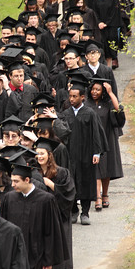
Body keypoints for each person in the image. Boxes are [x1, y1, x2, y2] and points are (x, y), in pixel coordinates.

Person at [0, 164, 68, 269]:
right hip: (17, 258)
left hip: (38, 258)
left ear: (27, 180)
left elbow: (51, 232)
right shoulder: (9, 198)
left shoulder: (45, 200)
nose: (12, 184)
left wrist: (48, 259)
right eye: (12, 180)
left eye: (16, 181)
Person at [54, 80, 105, 225]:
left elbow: (96, 133)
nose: (71, 99)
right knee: (71, 182)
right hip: (70, 155)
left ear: (83, 97)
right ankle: (74, 211)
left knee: (86, 182)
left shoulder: (90, 113)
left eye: (75, 96)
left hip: (86, 154)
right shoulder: (65, 114)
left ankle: (85, 212)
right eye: (70, 96)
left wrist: (97, 153)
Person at [35, 138, 75, 269]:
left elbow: (70, 195)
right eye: (37, 153)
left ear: (49, 155)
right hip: (40, 219)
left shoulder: (62, 173)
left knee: (61, 252)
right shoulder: (32, 173)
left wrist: (51, 184)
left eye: (42, 153)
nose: (39, 156)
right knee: (44, 253)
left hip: (59, 217)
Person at [85, 78, 125, 210]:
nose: (94, 92)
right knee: (95, 168)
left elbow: (118, 109)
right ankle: (97, 196)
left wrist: (111, 92)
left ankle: (105, 194)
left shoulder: (107, 103)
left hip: (107, 138)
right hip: (92, 140)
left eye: (98, 89)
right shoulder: (87, 104)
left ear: (102, 92)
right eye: (93, 89)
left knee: (106, 169)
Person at [94, 0, 122, 68]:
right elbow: (95, 12)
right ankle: (106, 64)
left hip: (111, 25)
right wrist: (99, 22)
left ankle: (114, 59)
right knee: (104, 44)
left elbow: (114, 12)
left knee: (111, 42)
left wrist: (107, 23)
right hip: (101, 25)